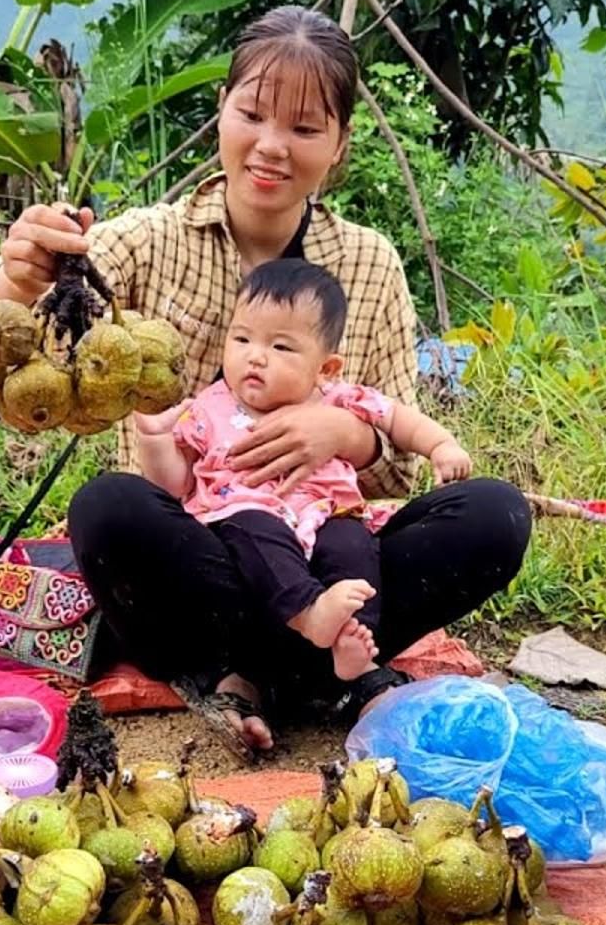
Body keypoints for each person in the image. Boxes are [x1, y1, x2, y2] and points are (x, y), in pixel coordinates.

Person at [0, 4, 531, 759]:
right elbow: (2, 322)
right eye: (252, 113)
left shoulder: (368, 264)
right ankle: (314, 671)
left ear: (339, 147)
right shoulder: (152, 238)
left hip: (328, 555)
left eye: (303, 128)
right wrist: (14, 274)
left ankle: (257, 670)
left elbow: (399, 457)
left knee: (495, 514)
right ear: (222, 111)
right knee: (108, 508)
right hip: (200, 564)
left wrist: (346, 432)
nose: (271, 146)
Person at [135, 257, 472, 687]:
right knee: (256, 529)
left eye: (281, 347)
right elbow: (175, 485)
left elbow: (397, 419)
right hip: (240, 523)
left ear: (326, 368)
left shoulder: (336, 398)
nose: (255, 357)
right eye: (242, 339)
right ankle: (308, 612)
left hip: (329, 512)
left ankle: (352, 644)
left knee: (353, 547)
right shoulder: (211, 405)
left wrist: (440, 446)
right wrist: (155, 439)